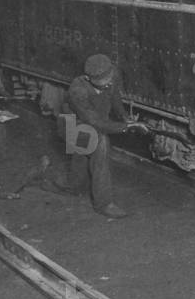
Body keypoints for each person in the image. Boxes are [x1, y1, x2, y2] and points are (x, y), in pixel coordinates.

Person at [58, 54, 147, 219]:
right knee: (100, 145)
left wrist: (124, 117)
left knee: (82, 159)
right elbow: (94, 121)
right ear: (88, 77)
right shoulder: (78, 90)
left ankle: (72, 186)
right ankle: (104, 204)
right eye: (104, 80)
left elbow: (114, 97)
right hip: (73, 125)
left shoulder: (110, 75)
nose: (109, 82)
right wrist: (126, 127)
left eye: (110, 77)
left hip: (91, 123)